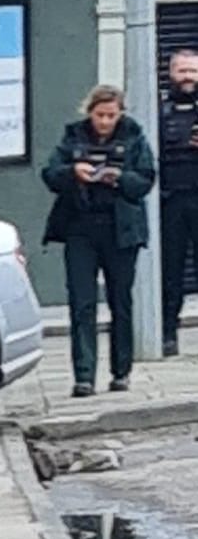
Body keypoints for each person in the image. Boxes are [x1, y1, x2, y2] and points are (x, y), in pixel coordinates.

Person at [43, 84, 157, 398]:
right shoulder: (73, 137)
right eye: (99, 115)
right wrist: (73, 172)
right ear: (89, 111)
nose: (104, 122)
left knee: (121, 300)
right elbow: (50, 174)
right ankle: (83, 376)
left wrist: (118, 177)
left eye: (111, 115)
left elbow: (145, 180)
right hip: (81, 227)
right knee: (82, 303)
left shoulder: (134, 137)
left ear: (121, 113)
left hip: (121, 230)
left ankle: (121, 371)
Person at [162, 49, 198, 355]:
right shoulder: (158, 111)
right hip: (170, 201)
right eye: (182, 71)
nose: (188, 77)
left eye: (193, 71)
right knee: (169, 271)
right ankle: (167, 334)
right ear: (170, 73)